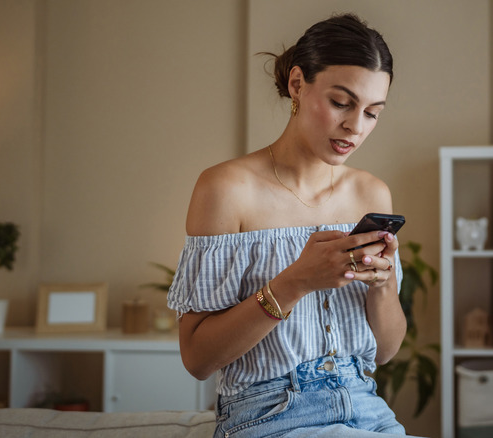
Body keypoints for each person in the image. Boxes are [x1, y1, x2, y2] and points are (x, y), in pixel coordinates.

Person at [167, 13, 413, 437]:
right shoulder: (226, 189)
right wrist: (296, 282)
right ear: (297, 84)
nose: (355, 127)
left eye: (372, 113)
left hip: (366, 407)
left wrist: (382, 284)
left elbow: (386, 352)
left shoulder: (371, 193)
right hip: (270, 411)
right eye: (341, 103)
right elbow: (197, 359)